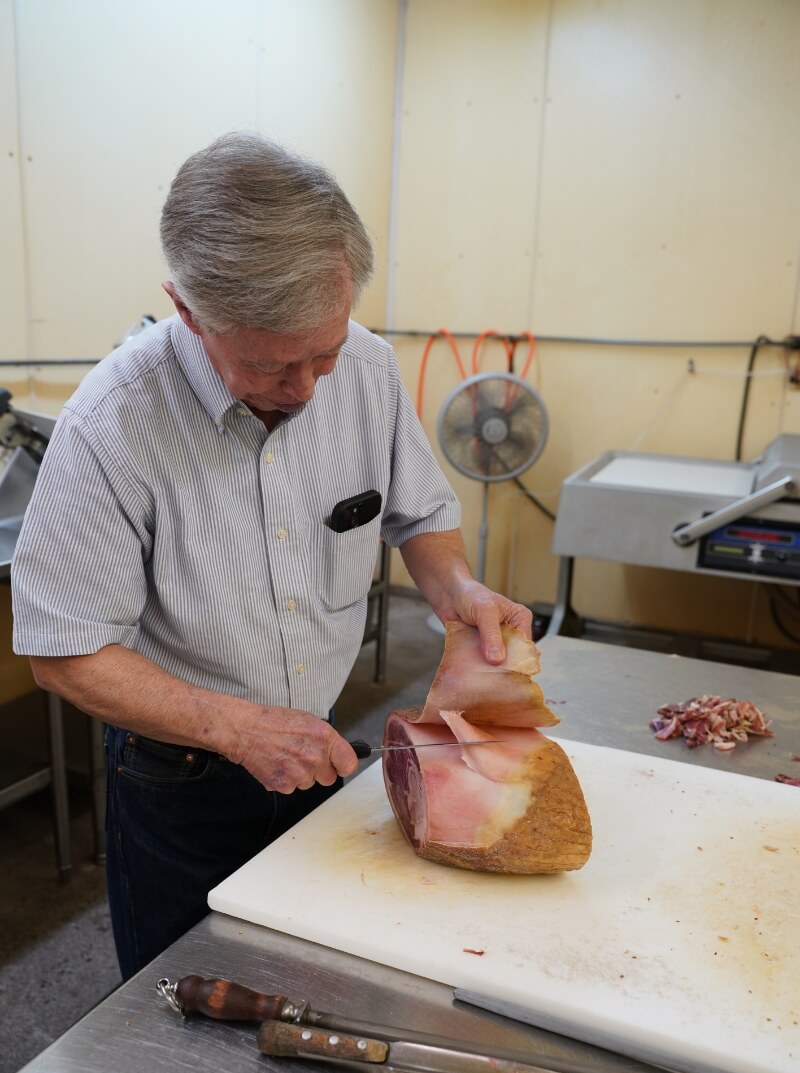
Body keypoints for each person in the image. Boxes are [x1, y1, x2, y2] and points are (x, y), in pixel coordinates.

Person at [12, 131, 533, 980]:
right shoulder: (112, 423)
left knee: (314, 986)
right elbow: (61, 651)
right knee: (188, 1004)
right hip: (180, 774)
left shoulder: (363, 369)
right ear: (186, 310)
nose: (304, 390)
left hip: (318, 751)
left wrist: (459, 588)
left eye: (321, 355)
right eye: (268, 364)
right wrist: (236, 727)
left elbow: (420, 515)